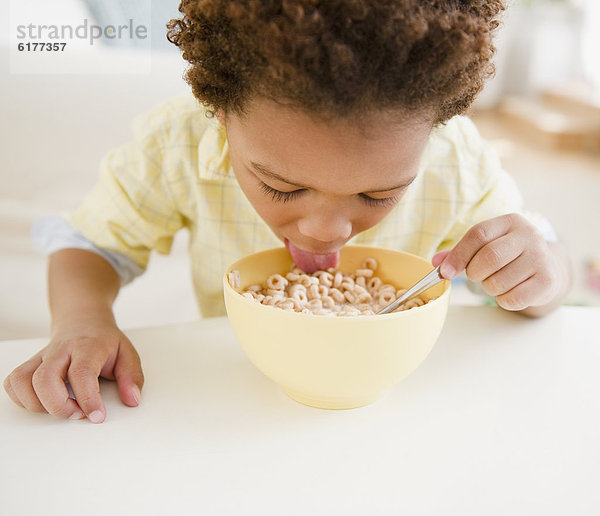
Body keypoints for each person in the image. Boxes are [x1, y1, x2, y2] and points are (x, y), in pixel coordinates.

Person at [3, 0, 572, 423]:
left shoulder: (456, 163)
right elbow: (92, 243)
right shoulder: (177, 145)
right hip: (232, 411)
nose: (327, 231)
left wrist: (540, 273)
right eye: (280, 187)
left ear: (432, 132)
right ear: (221, 115)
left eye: (377, 196)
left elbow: (540, 276)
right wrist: (81, 321)